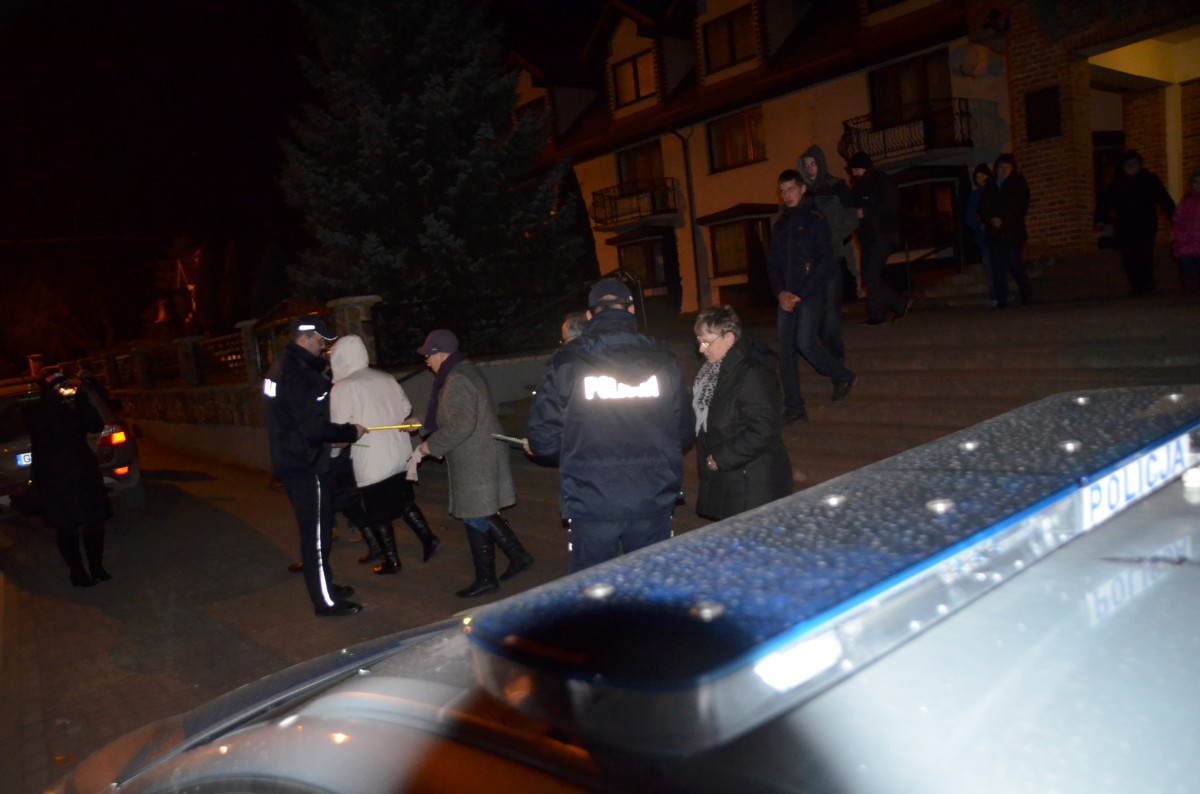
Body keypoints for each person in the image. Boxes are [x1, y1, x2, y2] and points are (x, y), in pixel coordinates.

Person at [525, 277, 695, 573]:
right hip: (651, 496)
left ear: (590, 315)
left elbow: (543, 438)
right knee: (650, 584)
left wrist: (569, 448)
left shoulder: (569, 360)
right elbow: (684, 431)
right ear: (631, 311)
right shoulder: (664, 359)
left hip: (592, 500)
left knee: (593, 588)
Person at [413, 329, 533, 597]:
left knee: (475, 514)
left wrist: (430, 445)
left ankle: (486, 578)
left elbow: (462, 423)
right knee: (481, 511)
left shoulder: (457, 378)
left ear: (440, 354)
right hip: (477, 453)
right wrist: (420, 423)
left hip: (475, 456)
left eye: (428, 356)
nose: (426, 362)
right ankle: (518, 557)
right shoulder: (461, 371)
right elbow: (450, 413)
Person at [264, 315, 368, 617]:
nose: (323, 347)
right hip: (306, 465)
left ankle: (327, 587)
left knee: (315, 533)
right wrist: (349, 432)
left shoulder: (279, 368)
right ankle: (325, 602)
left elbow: (289, 420)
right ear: (304, 338)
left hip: (291, 459)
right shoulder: (299, 375)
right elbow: (313, 427)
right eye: (320, 341)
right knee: (317, 537)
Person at [330, 334, 440, 575]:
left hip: (371, 459)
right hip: (399, 452)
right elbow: (406, 408)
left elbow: (339, 429)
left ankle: (392, 560)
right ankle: (428, 538)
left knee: (377, 514)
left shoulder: (343, 387)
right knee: (403, 501)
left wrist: (334, 453)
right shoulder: (385, 377)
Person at [769, 169, 857, 416]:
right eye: (783, 191)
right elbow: (773, 264)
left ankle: (842, 375)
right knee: (785, 352)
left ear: (802, 189)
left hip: (809, 295)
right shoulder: (780, 225)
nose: (787, 195)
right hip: (786, 297)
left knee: (805, 343)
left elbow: (823, 262)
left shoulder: (815, 220)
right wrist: (780, 292)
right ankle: (794, 407)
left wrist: (801, 293)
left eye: (791, 189)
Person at [692, 306, 792, 520]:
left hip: (752, 481)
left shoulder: (752, 373)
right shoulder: (712, 373)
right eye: (699, 341)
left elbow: (764, 428)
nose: (701, 349)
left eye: (706, 342)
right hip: (730, 478)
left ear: (728, 338)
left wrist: (722, 457)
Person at [23, 371, 112, 587]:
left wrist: (82, 401)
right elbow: (43, 432)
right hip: (56, 476)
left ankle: (96, 567)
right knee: (67, 526)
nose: (64, 389)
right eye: (58, 386)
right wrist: (57, 403)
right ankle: (77, 572)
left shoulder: (74, 406)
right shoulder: (36, 410)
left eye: (65, 384)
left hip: (83, 470)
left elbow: (96, 425)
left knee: (95, 522)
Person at [799, 145, 858, 363]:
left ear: (821, 164)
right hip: (809, 262)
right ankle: (828, 354)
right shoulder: (803, 193)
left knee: (831, 310)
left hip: (831, 257)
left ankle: (836, 358)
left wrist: (836, 236)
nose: (810, 169)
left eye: (813, 164)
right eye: (806, 165)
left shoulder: (837, 186)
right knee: (815, 312)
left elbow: (851, 217)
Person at [1096, 150, 1177, 296]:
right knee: (1128, 255)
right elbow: (1105, 202)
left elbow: (1163, 197)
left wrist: (1173, 216)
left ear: (1140, 165)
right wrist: (1100, 219)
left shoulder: (1149, 179)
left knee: (1144, 252)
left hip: (1145, 222)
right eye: (1128, 164)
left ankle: (1147, 282)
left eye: (1134, 163)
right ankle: (1136, 285)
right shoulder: (1118, 183)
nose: (1131, 166)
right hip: (1125, 224)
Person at [848, 151, 911, 325]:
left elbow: (890, 205)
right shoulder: (856, 187)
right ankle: (895, 306)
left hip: (883, 234)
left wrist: (866, 212)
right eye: (852, 170)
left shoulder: (881, 181)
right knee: (868, 276)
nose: (854, 173)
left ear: (864, 168)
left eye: (856, 169)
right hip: (867, 237)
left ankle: (881, 313)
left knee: (872, 274)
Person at [977, 153, 1035, 309]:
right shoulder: (990, 185)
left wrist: (1004, 219)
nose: (1003, 170)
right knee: (997, 265)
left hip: (1012, 231)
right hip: (994, 232)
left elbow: (1020, 207)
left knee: (1013, 261)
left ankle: (1026, 290)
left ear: (1013, 168)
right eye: (1001, 167)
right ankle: (1001, 297)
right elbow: (983, 207)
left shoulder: (1018, 183)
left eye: (1007, 167)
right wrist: (991, 218)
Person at [964, 162, 992, 295]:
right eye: (977, 177)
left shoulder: (995, 192)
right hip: (984, 236)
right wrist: (978, 225)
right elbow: (969, 216)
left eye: (983, 176)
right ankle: (995, 293)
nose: (980, 179)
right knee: (989, 264)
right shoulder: (975, 195)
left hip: (998, 234)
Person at [1172, 166, 1200, 293]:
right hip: (1187, 238)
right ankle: (1188, 280)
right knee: (1185, 259)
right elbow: (1178, 218)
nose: (1198, 185)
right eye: (1196, 182)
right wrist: (1179, 234)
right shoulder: (1186, 200)